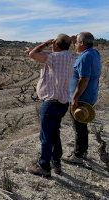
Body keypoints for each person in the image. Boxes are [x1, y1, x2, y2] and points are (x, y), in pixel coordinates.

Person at [25, 34, 75, 177]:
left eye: (53, 43)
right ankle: (56, 162)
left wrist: (45, 43)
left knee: (46, 135)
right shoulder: (71, 57)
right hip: (63, 103)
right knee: (55, 133)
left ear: (55, 45)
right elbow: (37, 54)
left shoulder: (53, 57)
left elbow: (33, 54)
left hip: (51, 103)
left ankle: (44, 166)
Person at [64, 32, 102, 164]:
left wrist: (75, 98)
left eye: (76, 42)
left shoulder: (85, 57)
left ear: (82, 44)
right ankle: (83, 151)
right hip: (90, 95)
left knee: (79, 126)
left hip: (82, 98)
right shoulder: (95, 53)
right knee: (82, 125)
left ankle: (78, 155)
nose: (74, 44)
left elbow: (84, 79)